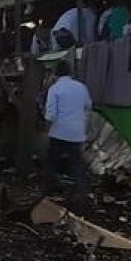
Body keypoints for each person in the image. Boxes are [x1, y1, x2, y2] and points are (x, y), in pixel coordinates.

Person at [44, 60, 92, 195]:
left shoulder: (54, 89)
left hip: (58, 133)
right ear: (70, 72)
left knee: (51, 162)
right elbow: (88, 106)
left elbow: (51, 115)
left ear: (55, 74)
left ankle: (48, 191)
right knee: (77, 164)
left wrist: (46, 129)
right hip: (77, 133)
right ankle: (83, 193)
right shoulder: (81, 87)